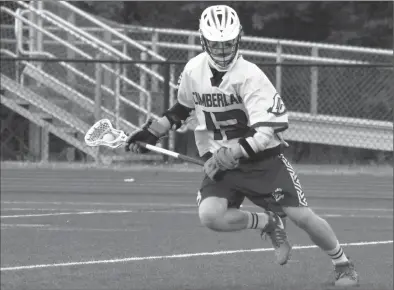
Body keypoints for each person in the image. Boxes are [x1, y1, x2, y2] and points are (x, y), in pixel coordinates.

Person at [125, 5, 358, 287]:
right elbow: (181, 109)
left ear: (239, 39)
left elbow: (266, 133)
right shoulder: (193, 69)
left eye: (227, 44)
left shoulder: (251, 76)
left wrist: (231, 152)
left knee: (302, 216)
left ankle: (343, 264)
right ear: (202, 40)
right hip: (218, 156)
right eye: (215, 44)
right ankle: (269, 223)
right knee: (210, 216)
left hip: (263, 161)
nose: (222, 51)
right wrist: (151, 133)